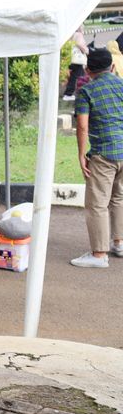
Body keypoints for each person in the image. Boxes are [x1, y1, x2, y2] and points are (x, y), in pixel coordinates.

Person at [70, 48, 123, 268]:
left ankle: (99, 255)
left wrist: (82, 155)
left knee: (97, 203)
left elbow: (82, 126)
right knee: (119, 197)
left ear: (88, 69)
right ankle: (119, 243)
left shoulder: (86, 91)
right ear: (112, 67)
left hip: (103, 153)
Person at [63, 26, 89, 101]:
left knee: (73, 76)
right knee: (77, 76)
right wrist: (86, 50)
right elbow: (80, 44)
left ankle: (69, 93)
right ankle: (69, 94)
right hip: (77, 60)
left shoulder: (69, 34)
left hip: (70, 58)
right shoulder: (78, 34)